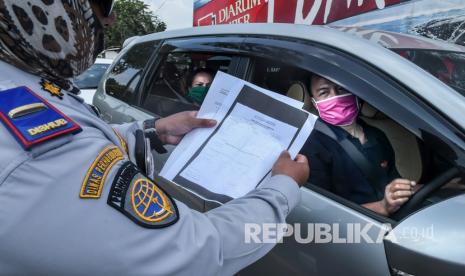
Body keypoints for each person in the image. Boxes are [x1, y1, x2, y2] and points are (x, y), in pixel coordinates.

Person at [0, 1, 310, 275]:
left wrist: (152, 130)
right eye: (104, 4)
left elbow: (84, 137)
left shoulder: (22, 83)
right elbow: (193, 253)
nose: (111, 19)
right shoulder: (35, 152)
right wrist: (282, 187)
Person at [300, 74, 417, 216]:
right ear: (314, 103)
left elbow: (394, 182)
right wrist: (382, 207)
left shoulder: (377, 135)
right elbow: (320, 212)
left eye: (341, 88)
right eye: (324, 93)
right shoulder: (312, 146)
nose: (336, 96)